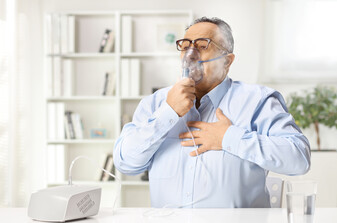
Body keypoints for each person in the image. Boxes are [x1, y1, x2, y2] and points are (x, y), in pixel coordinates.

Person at [113, 17, 311, 208]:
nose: (191, 55)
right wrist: (168, 113)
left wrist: (229, 138)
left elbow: (298, 159)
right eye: (185, 46)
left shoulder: (258, 100)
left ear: (227, 61)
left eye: (202, 45)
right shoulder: (155, 103)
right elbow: (125, 163)